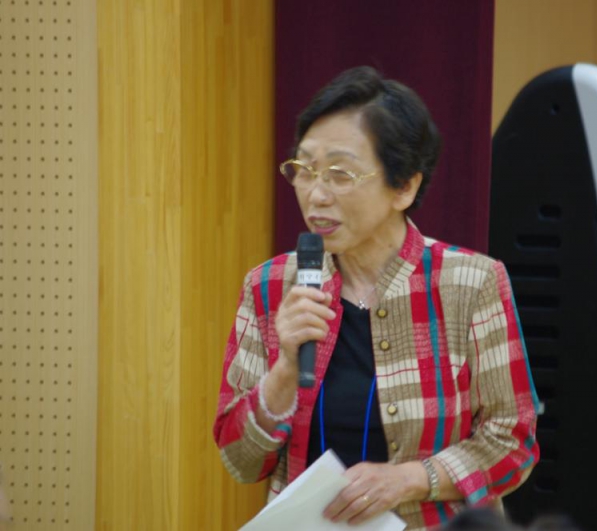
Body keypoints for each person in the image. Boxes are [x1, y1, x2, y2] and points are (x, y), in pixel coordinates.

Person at [213, 66, 539, 531]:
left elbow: (513, 442)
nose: (316, 195)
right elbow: (239, 461)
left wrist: (412, 479)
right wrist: (284, 369)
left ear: (404, 186)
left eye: (340, 174)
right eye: (304, 170)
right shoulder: (270, 286)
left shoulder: (471, 283)